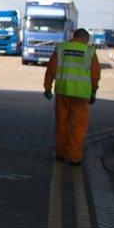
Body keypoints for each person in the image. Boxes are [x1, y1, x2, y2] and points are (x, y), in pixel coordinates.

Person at [44, 28, 101, 165]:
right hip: (81, 96)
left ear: (73, 37)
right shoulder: (90, 52)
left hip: (63, 92)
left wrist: (47, 87)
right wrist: (93, 92)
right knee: (78, 127)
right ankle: (74, 158)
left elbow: (51, 69)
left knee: (61, 123)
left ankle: (60, 153)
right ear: (86, 39)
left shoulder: (61, 49)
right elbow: (95, 75)